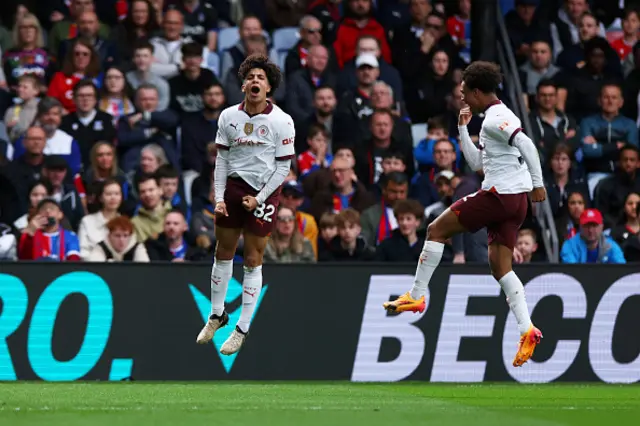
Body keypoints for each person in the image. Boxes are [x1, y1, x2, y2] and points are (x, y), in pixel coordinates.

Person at [383, 61, 547, 368]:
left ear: (476, 90)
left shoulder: (497, 118)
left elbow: (526, 143)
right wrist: (461, 128)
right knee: (500, 267)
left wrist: (539, 184)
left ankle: (416, 295)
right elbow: (475, 164)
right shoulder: (490, 119)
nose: (462, 98)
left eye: (464, 92)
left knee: (435, 230)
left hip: (500, 196)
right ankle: (527, 329)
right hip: (515, 203)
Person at [196, 54, 295, 355]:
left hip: (265, 190)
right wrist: (219, 197)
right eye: (250, 77)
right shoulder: (228, 117)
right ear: (243, 85)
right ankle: (216, 315)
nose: (255, 81)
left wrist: (260, 198)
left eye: (260, 78)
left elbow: (283, 169)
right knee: (222, 251)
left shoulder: (282, 121)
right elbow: (222, 160)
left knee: (252, 258)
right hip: (234, 189)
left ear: (269, 88)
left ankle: (242, 328)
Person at [560, 208, 626, 264]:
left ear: (602, 227)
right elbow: (572, 271)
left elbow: (621, 268)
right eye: (586, 226)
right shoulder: (569, 246)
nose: (590, 230)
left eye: (594, 226)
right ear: (580, 227)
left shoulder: (611, 246)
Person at [77, 178, 122, 259]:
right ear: (101, 198)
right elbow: (82, 252)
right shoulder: (87, 221)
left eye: (117, 194)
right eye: (108, 194)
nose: (113, 197)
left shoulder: (125, 223)